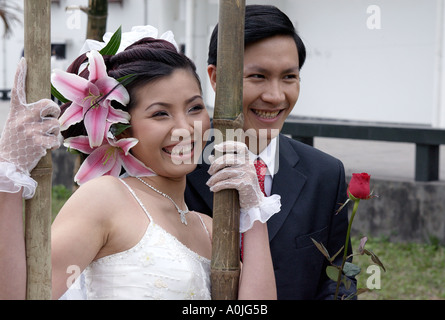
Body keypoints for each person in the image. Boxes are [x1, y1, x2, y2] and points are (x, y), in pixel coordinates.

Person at [0, 34, 278, 299]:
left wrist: (254, 211)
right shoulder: (106, 198)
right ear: (120, 129)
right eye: (160, 114)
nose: (185, 128)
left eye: (194, 108)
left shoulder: (209, 228)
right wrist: (8, 174)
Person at [185, 4, 357, 299]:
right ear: (215, 78)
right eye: (258, 77)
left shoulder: (326, 174)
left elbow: (339, 280)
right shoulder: (178, 164)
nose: (276, 96)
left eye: (289, 77)